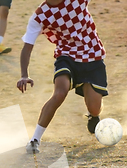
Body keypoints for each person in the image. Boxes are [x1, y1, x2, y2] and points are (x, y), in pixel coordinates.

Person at [17, 0, 108, 154]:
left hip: (93, 54)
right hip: (67, 55)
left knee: (94, 108)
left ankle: (93, 116)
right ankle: (35, 140)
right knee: (60, 92)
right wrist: (24, 75)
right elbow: (27, 47)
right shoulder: (40, 16)